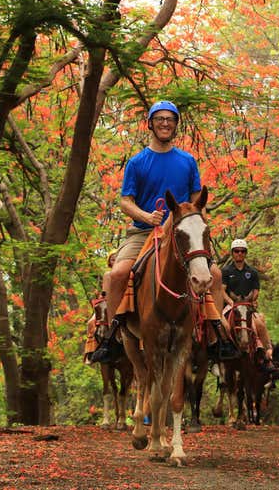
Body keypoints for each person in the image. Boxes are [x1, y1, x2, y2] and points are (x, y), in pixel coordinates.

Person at [91, 101, 238, 363]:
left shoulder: (187, 161)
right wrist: (146, 216)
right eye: (159, 119)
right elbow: (125, 201)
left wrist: (199, 228)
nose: (165, 123)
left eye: (170, 119)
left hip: (181, 233)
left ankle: (215, 335)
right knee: (117, 274)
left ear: (176, 125)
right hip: (143, 232)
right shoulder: (137, 163)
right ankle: (112, 337)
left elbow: (196, 199)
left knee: (214, 273)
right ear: (150, 123)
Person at [221, 238, 273, 364]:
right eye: (237, 251)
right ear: (233, 253)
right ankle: (221, 350)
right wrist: (230, 302)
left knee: (259, 323)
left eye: (242, 251)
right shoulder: (226, 271)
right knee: (222, 325)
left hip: (247, 305)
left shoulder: (252, 272)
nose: (240, 253)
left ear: (245, 253)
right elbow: (222, 290)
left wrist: (253, 300)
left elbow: (256, 290)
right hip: (231, 305)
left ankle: (267, 353)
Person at [83, 250, 117, 364]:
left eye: (117, 258)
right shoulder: (108, 275)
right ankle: (93, 350)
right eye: (113, 259)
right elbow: (105, 293)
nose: (115, 261)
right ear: (109, 262)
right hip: (107, 302)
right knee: (91, 322)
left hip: (121, 301)